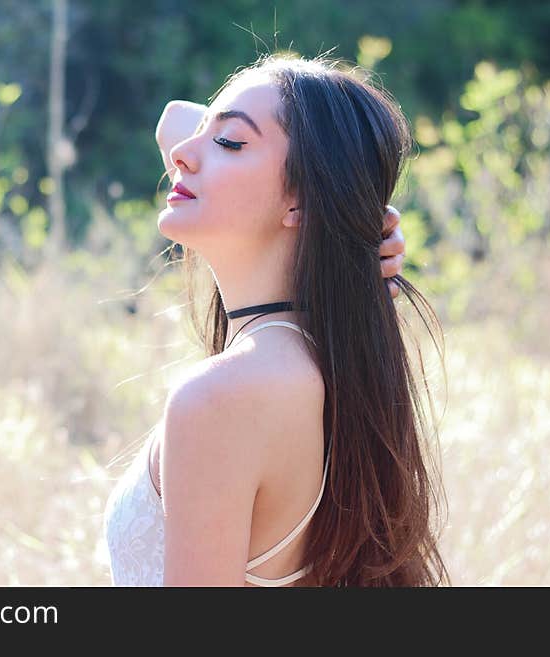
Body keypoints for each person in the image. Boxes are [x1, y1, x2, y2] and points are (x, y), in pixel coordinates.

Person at [103, 52, 450, 586]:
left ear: (301, 203)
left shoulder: (222, 397)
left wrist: (348, 209)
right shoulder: (328, 362)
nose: (180, 154)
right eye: (204, 132)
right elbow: (178, 120)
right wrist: (351, 212)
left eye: (230, 143)